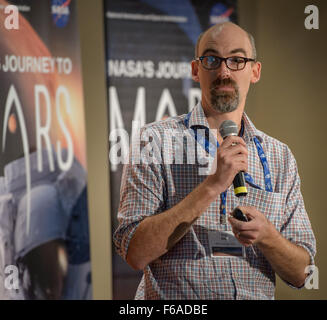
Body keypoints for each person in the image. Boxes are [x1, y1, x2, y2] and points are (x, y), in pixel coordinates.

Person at [113, 22, 316, 300]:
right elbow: (134, 252)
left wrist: (268, 236)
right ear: (196, 70)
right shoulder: (155, 142)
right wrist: (212, 185)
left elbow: (304, 274)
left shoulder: (280, 157)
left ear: (254, 72)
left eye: (236, 60)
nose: (223, 71)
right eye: (212, 59)